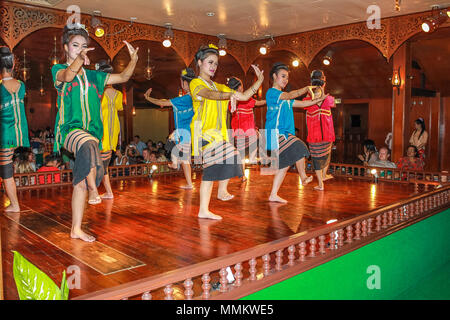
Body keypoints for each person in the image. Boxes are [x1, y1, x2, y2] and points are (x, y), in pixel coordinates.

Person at [52, 24, 138, 242]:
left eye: (83, 46)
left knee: (79, 179)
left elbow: (124, 77)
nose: (80, 49)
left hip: (91, 134)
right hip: (69, 130)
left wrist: (134, 60)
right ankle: (94, 189)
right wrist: (80, 59)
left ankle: (76, 228)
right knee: (88, 144)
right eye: (75, 46)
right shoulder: (58, 70)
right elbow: (68, 75)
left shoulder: (94, 77)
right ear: (66, 47)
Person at [190, 44, 264, 220]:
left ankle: (205, 208)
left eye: (215, 63)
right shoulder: (196, 83)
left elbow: (244, 97)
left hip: (219, 134)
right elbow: (208, 94)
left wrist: (259, 81)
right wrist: (228, 96)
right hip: (203, 133)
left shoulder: (220, 86)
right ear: (200, 63)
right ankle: (219, 193)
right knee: (228, 158)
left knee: (224, 162)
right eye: (210, 62)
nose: (213, 66)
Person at [264, 62, 327, 203]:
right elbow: (290, 95)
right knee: (300, 147)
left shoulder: (286, 98)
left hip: (284, 134)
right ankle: (303, 176)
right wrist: (305, 88)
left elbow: (303, 104)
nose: (285, 80)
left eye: (287, 77)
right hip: (276, 134)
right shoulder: (272, 93)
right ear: (274, 76)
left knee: (284, 166)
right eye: (283, 76)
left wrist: (318, 100)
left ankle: (273, 194)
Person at [144, 68, 196, 189]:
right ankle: (187, 180)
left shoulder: (184, 99)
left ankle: (175, 163)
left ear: (185, 83)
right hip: (189, 131)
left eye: (181, 81)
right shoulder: (193, 98)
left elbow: (164, 102)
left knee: (180, 154)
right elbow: (166, 102)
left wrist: (148, 98)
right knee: (184, 158)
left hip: (183, 132)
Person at [0, 46, 30, 212]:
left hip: (5, 133)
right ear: (12, 66)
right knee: (6, 165)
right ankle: (14, 204)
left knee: (5, 168)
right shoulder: (21, 85)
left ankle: (15, 205)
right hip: (19, 131)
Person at [226, 77, 266, 181]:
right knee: (258, 139)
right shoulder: (246, 99)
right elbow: (258, 103)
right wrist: (269, 101)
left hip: (238, 133)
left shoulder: (230, 101)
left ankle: (242, 175)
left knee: (241, 155)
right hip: (248, 131)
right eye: (242, 86)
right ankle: (253, 159)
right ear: (239, 87)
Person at [303, 70, 336, 191]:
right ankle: (323, 177)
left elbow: (305, 102)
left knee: (317, 158)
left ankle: (321, 182)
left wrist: (310, 93)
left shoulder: (308, 101)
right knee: (326, 155)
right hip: (327, 134)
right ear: (323, 83)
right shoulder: (328, 100)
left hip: (315, 136)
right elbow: (333, 103)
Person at [96, 60, 124, 200]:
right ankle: (108, 192)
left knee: (101, 164)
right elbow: (119, 109)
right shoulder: (118, 94)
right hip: (114, 129)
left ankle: (100, 192)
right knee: (103, 164)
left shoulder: (99, 92)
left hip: (102, 130)